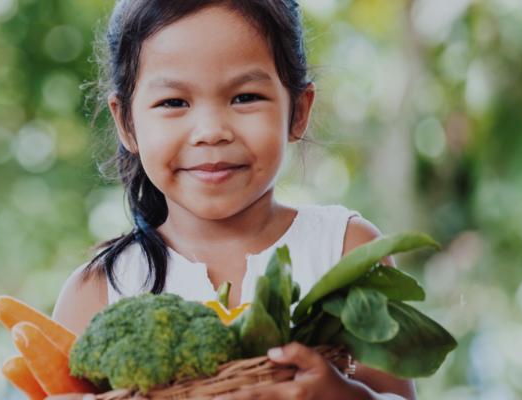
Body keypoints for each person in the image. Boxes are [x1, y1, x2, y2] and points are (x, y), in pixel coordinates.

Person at [50, 1, 415, 399]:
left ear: (298, 110)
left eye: (244, 97)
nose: (211, 131)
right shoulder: (97, 292)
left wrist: (343, 394)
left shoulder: (346, 252)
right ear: (126, 123)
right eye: (174, 102)